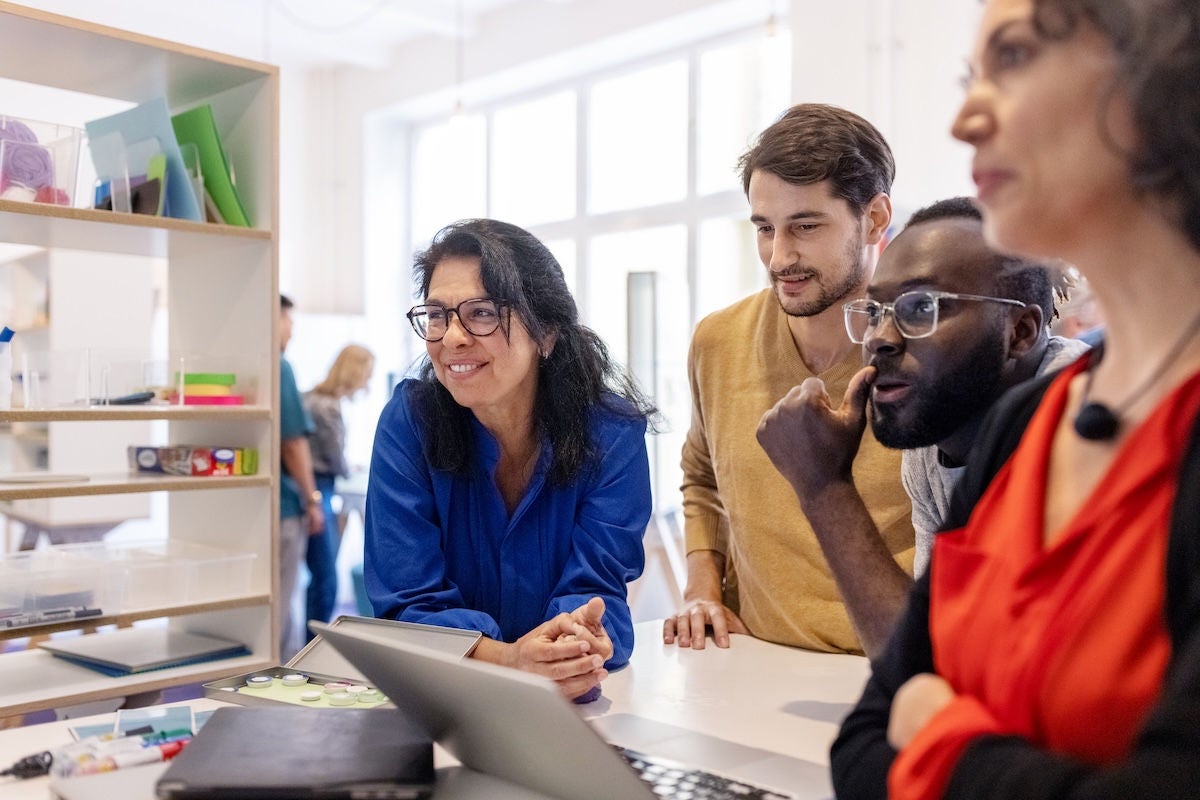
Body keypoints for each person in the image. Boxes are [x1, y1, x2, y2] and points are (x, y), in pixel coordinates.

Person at [833, 1, 1200, 798]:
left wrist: (936, 729)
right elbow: (858, 751)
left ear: (1166, 74)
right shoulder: (1022, 427)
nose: (966, 118)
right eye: (973, 76)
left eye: (1017, 56)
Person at [756, 197, 1088, 657]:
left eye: (921, 307)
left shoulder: (1085, 429)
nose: (878, 338)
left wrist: (824, 488)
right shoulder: (935, 442)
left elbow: (968, 673)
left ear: (1021, 332)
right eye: (875, 312)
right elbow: (927, 652)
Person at [363, 218, 655, 701]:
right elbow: (407, 604)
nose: (452, 337)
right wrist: (511, 661)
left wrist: (578, 645)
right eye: (437, 315)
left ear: (547, 333)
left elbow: (596, 588)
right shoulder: (410, 423)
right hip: (442, 701)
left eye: (481, 313)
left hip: (564, 716)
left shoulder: (612, 435)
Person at [663, 103, 914, 655]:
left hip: (887, 674)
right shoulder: (717, 340)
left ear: (874, 219)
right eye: (764, 229)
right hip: (749, 666)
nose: (780, 258)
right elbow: (701, 479)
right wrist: (701, 590)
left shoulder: (925, 353)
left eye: (805, 226)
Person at [302, 343, 375, 639]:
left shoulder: (309, 398)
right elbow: (333, 457)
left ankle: (308, 642)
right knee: (327, 577)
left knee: (320, 572)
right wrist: (348, 468)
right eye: (367, 373)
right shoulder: (328, 407)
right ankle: (313, 645)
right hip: (319, 488)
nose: (368, 381)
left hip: (313, 486)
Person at [278, 295, 324, 659]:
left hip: (252, 510)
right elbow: (292, 442)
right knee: (280, 599)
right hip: (281, 506)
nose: (292, 331)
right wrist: (313, 500)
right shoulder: (279, 367)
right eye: (289, 321)